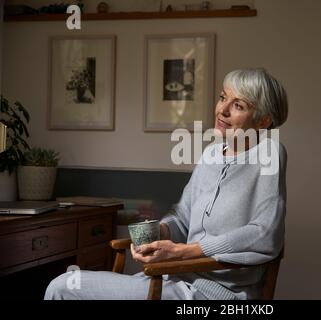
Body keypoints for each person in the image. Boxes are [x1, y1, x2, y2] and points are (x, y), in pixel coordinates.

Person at [44, 68, 288, 300]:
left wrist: (184, 251)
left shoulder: (269, 152)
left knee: (63, 287)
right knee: (67, 283)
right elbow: (182, 217)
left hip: (212, 293)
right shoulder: (211, 155)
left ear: (263, 121)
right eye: (223, 97)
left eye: (238, 105)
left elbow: (264, 233)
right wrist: (157, 234)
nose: (222, 110)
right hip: (172, 279)